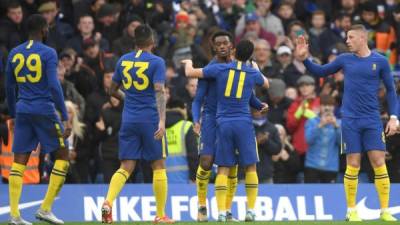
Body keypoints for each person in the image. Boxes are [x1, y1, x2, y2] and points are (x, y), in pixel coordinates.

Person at [296, 24, 398, 221]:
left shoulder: (381, 61)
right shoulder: (344, 59)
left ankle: (385, 210)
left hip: (372, 120)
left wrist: (394, 117)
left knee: (379, 162)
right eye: (347, 37)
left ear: (362, 38)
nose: (347, 41)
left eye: (351, 37)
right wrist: (304, 59)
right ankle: (351, 210)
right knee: (353, 164)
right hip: (350, 120)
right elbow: (320, 71)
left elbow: (391, 91)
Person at [183, 39, 269, 222]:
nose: (223, 47)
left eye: (226, 44)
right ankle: (246, 210)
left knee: (225, 167)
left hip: (224, 122)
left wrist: (188, 63)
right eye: (219, 44)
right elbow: (265, 84)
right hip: (233, 122)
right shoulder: (249, 72)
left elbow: (190, 72)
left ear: (233, 49)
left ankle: (224, 211)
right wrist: (255, 67)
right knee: (242, 166)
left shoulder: (219, 70)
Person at [101, 24, 173, 224]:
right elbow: (159, 91)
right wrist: (161, 120)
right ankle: (160, 215)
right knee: (158, 166)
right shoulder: (157, 62)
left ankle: (108, 202)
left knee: (126, 166)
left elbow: (112, 90)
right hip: (149, 119)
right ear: (152, 42)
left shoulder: (123, 60)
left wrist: (127, 98)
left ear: (135, 42)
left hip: (129, 119)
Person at [5, 14, 71, 225]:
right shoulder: (48, 53)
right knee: (63, 156)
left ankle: (15, 215)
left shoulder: (14, 53)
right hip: (44, 109)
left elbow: (9, 87)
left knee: (19, 162)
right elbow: (54, 85)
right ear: (43, 29)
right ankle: (45, 208)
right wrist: (65, 115)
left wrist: (14, 114)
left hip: (23, 110)